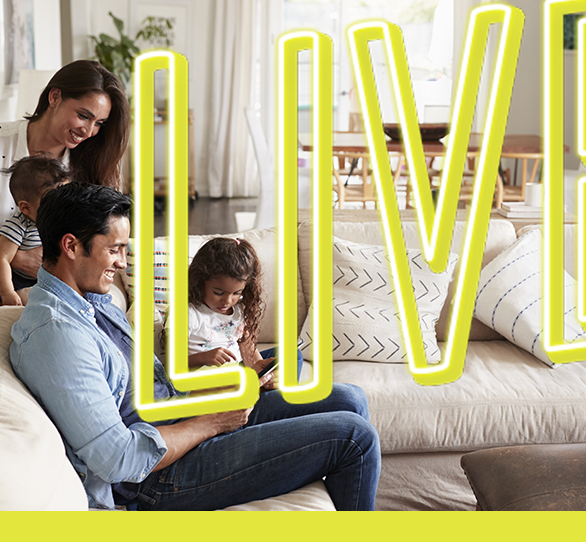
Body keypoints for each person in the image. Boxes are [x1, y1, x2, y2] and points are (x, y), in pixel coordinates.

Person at [9, 183, 380, 511]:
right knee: (355, 437)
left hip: (179, 418)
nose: (122, 263)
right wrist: (210, 422)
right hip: (158, 477)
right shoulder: (58, 336)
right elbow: (117, 459)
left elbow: (154, 386)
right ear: (71, 246)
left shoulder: (94, 301)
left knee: (350, 399)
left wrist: (217, 389)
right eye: (116, 250)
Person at [0, 60, 130, 281]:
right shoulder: (4, 142)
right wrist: (17, 258)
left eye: (99, 123)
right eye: (83, 116)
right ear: (55, 97)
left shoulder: (91, 165)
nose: (89, 131)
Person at [171, 236, 303, 384]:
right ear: (200, 281)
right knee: (333, 397)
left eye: (236, 293)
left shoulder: (238, 310)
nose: (227, 301)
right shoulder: (189, 314)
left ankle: (265, 396)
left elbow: (250, 354)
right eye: (218, 292)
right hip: (213, 383)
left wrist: (263, 375)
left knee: (293, 355)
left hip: (241, 375)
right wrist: (204, 357)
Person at [0, 156, 69, 305]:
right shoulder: (18, 225)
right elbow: (2, 259)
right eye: (52, 203)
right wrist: (7, 292)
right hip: (20, 281)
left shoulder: (62, 221)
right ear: (25, 207)